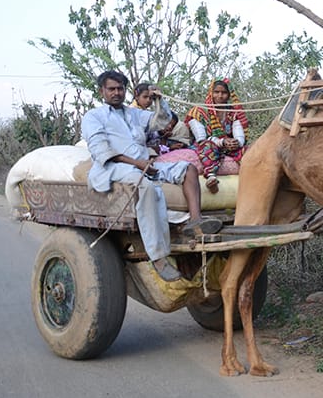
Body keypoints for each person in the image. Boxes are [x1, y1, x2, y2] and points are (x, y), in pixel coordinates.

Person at [81, 70, 220, 282]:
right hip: (114, 168)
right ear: (102, 91)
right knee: (146, 186)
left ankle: (195, 221)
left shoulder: (134, 114)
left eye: (120, 89)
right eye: (112, 89)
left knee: (188, 169)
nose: (116, 93)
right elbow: (102, 152)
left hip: (145, 165)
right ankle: (158, 257)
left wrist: (158, 100)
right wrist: (138, 164)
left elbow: (164, 122)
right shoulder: (94, 117)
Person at [185, 78, 248, 194]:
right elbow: (201, 139)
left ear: (228, 95)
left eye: (224, 93)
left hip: (228, 146)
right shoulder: (198, 112)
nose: (220, 96)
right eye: (216, 92)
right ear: (211, 93)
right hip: (207, 144)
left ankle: (252, 176)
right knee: (208, 146)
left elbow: (239, 135)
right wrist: (222, 142)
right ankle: (211, 177)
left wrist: (236, 143)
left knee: (248, 150)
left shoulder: (234, 112)